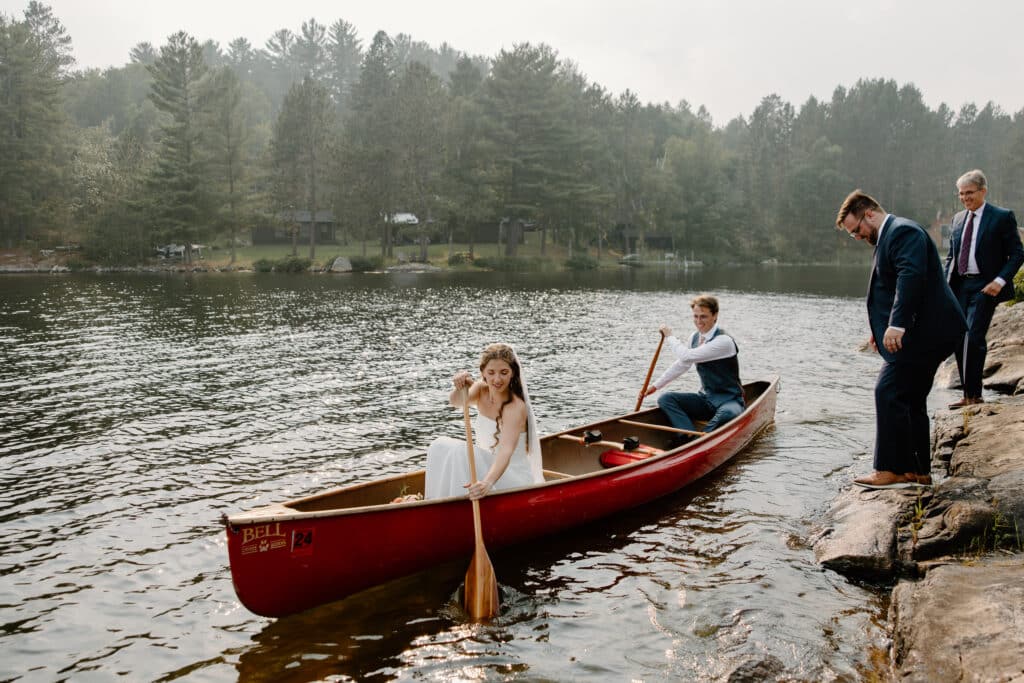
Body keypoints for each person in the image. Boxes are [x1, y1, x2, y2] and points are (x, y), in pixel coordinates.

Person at [836, 190, 966, 490]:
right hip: (927, 331)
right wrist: (879, 327)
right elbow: (890, 287)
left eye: (856, 230)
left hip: (924, 333)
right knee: (911, 399)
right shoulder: (888, 236)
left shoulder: (902, 231)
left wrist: (897, 325)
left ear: (869, 213)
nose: (856, 236)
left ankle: (890, 469)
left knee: (887, 391)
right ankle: (917, 472)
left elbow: (911, 277)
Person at [943, 169, 1024, 409]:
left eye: (969, 193)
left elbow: (1018, 253)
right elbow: (952, 256)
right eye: (960, 194)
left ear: (983, 191)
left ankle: (974, 396)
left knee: (974, 336)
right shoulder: (957, 219)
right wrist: (945, 285)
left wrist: (1000, 281)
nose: (965, 198)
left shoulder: (1001, 216)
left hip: (986, 286)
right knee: (959, 337)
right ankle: (968, 395)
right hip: (959, 286)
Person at [425, 343, 543, 499]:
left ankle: (464, 505)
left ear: (512, 373)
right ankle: (438, 503)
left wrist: (487, 483)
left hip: (510, 476)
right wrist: (460, 386)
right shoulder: (481, 390)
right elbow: (456, 402)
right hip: (485, 466)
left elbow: (506, 451)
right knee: (438, 445)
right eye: (491, 372)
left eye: (504, 372)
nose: (497, 379)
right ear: (483, 373)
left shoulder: (515, 407)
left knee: (461, 451)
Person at [640, 294, 744, 441]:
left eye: (703, 317)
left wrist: (670, 336)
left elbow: (686, 356)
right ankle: (686, 434)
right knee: (666, 399)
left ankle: (699, 440)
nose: (698, 322)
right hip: (706, 400)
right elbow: (682, 364)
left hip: (729, 401)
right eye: (695, 316)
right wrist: (655, 386)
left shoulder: (724, 341)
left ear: (715, 315)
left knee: (728, 414)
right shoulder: (695, 337)